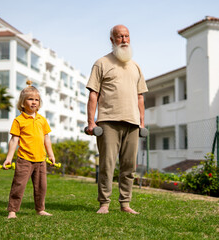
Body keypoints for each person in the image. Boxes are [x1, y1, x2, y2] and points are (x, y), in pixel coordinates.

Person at [86, 24, 148, 214]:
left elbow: (140, 97)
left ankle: (125, 204)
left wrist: (142, 123)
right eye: (120, 36)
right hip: (108, 122)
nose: (124, 40)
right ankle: (104, 203)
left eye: (127, 36)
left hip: (132, 123)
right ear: (112, 39)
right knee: (107, 165)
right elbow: (93, 95)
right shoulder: (101, 63)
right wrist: (91, 122)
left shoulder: (135, 66)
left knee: (129, 167)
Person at [3, 80, 56, 219]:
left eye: (37, 100)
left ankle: (40, 209)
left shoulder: (42, 120)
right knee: (19, 185)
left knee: (41, 187)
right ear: (22, 102)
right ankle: (12, 211)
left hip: (40, 160)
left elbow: (46, 138)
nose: (34, 102)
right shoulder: (19, 120)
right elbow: (14, 140)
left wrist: (51, 155)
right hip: (24, 159)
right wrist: (9, 158)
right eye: (30, 99)